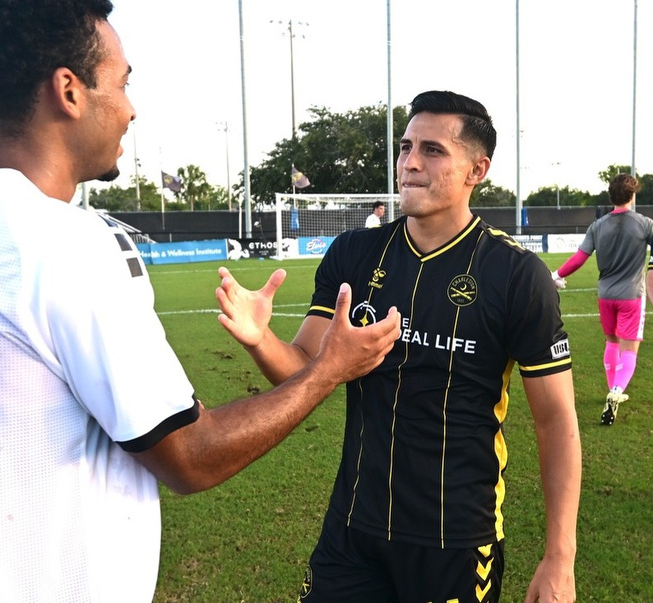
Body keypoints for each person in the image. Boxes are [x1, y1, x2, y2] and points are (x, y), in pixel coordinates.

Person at [0, 0, 401, 603]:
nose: (131, 109)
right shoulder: (60, 242)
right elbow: (191, 455)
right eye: (120, 83)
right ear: (69, 91)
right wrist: (329, 368)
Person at [216, 90, 581, 603]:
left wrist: (560, 556)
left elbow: (556, 420)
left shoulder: (516, 275)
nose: (409, 163)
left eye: (432, 150)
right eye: (406, 146)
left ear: (477, 170)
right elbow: (302, 369)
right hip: (352, 530)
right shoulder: (355, 253)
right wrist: (261, 341)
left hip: (454, 540)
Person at [551, 173, 653, 424]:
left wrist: (556, 275)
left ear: (611, 196)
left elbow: (579, 259)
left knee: (611, 342)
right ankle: (616, 391)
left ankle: (613, 387)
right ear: (632, 195)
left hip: (606, 295)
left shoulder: (597, 226)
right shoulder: (645, 224)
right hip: (631, 296)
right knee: (629, 348)